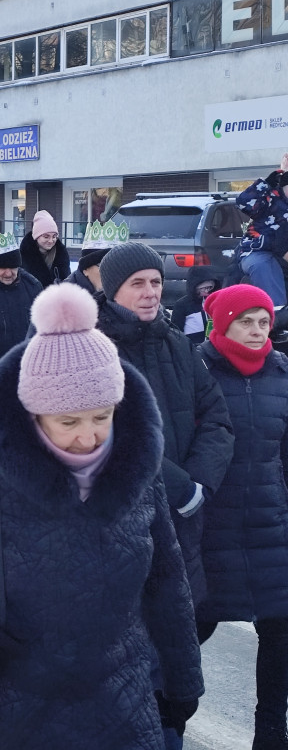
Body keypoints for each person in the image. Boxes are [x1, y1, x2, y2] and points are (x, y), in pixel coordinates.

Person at [0, 282, 204, 750]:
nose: (88, 437)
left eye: (101, 416)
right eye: (68, 422)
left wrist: (183, 681)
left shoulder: (135, 461)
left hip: (117, 703)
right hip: (3, 704)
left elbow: (166, 579)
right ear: (33, 412)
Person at [96, 241, 234, 743]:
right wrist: (177, 485)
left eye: (155, 281)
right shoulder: (94, 349)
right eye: (138, 283)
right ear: (113, 291)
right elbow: (107, 433)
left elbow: (217, 417)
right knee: (132, 653)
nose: (151, 292)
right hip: (123, 522)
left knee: (183, 636)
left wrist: (200, 481)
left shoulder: (177, 343)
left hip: (183, 520)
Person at [194, 285, 288, 749]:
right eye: (245, 321)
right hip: (212, 525)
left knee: (280, 629)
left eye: (263, 322)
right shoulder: (197, 369)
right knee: (191, 627)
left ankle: (271, 729)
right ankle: (164, 714)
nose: (256, 332)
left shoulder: (282, 372)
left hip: (272, 523)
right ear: (222, 323)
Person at [235, 159, 288, 305]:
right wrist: (266, 183)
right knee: (263, 266)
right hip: (259, 252)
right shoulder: (270, 196)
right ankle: (276, 314)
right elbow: (243, 203)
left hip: (283, 254)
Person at [19, 210, 70, 290]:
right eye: (46, 237)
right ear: (36, 236)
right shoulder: (24, 254)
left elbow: (67, 281)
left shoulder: (61, 254)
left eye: (54, 236)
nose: (51, 240)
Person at [170, 266, 219, 345]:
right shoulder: (182, 305)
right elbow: (176, 331)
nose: (207, 290)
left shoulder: (211, 302)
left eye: (210, 287)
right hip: (190, 345)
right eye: (203, 288)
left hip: (209, 344)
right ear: (195, 287)